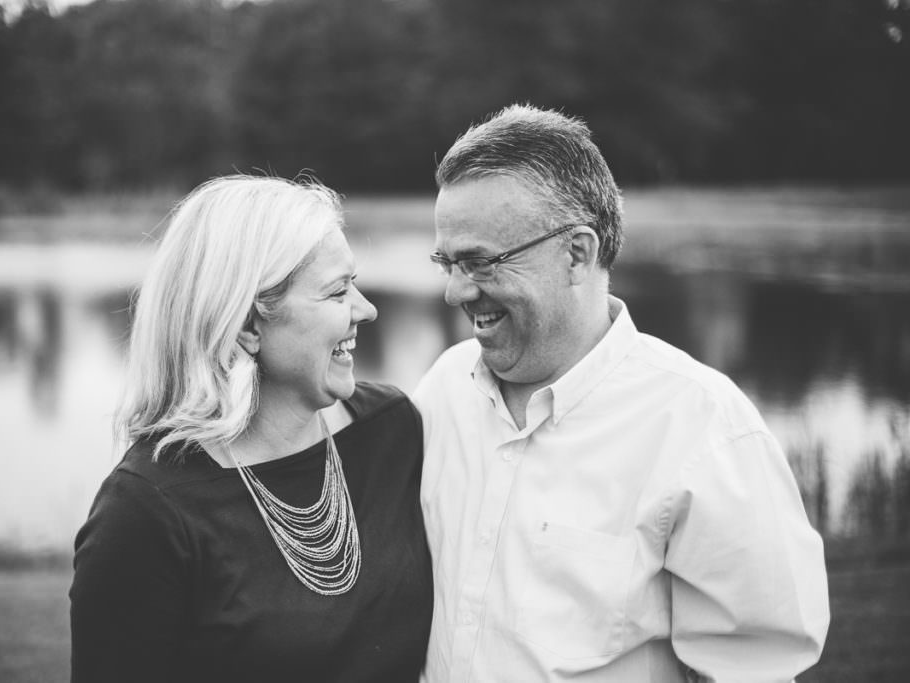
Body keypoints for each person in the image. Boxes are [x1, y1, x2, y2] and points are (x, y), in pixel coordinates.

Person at [414, 105, 830, 681]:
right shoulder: (442, 391)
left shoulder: (705, 429)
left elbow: (754, 667)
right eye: (446, 263)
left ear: (577, 254)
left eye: (480, 263)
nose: (456, 292)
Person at [70, 175, 432, 683]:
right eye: (336, 292)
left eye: (355, 283)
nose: (365, 309)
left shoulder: (393, 432)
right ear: (245, 325)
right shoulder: (147, 512)